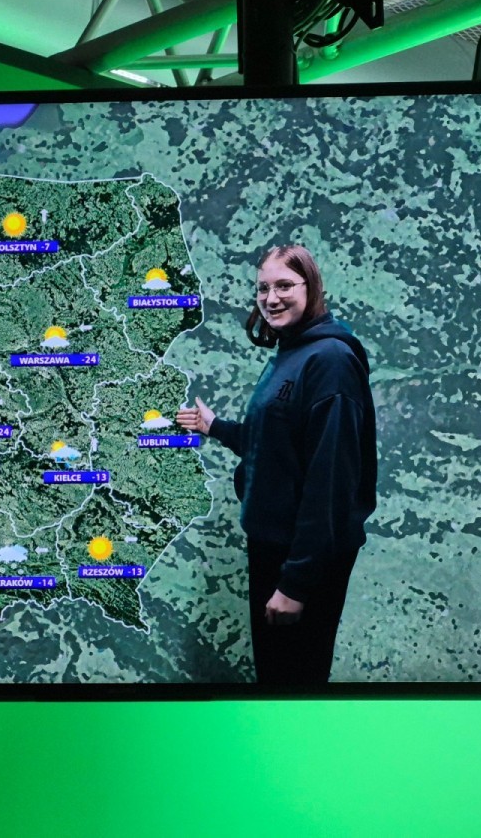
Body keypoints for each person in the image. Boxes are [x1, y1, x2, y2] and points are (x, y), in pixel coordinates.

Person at [176, 245, 376, 686]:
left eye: (284, 285)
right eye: (263, 288)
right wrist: (216, 427)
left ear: (311, 288)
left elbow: (330, 481)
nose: (271, 298)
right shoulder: (292, 354)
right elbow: (277, 444)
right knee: (276, 679)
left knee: (294, 683)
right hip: (275, 550)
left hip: (301, 559)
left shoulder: (331, 362)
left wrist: (295, 585)